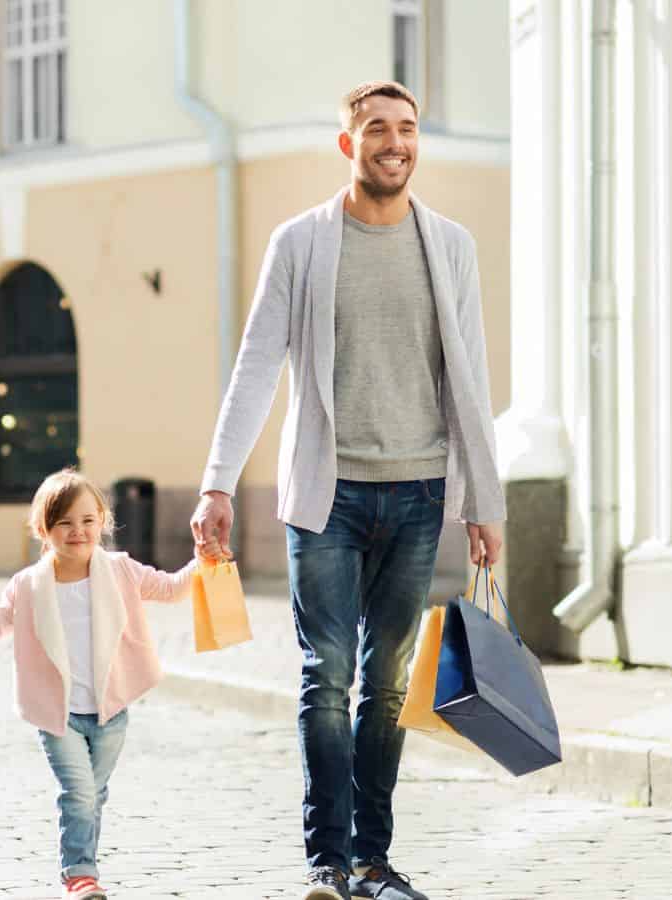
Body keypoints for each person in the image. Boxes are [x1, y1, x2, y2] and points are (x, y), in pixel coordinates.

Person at [189, 81, 506, 900]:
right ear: (348, 144)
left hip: (419, 492)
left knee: (389, 682)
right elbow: (258, 362)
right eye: (376, 129)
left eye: (405, 129)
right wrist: (218, 482)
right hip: (325, 496)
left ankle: (375, 860)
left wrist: (485, 503)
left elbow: (469, 376)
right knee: (326, 676)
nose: (394, 142)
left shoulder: (451, 246)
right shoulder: (301, 243)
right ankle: (326, 861)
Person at [0, 469, 197, 900]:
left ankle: (84, 871)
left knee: (93, 795)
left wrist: (205, 561)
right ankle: (79, 875)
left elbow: (171, 589)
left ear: (102, 521)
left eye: (87, 521)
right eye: (64, 523)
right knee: (77, 792)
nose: (77, 532)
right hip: (58, 716)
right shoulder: (28, 585)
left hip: (110, 711)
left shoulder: (120, 571)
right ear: (44, 530)